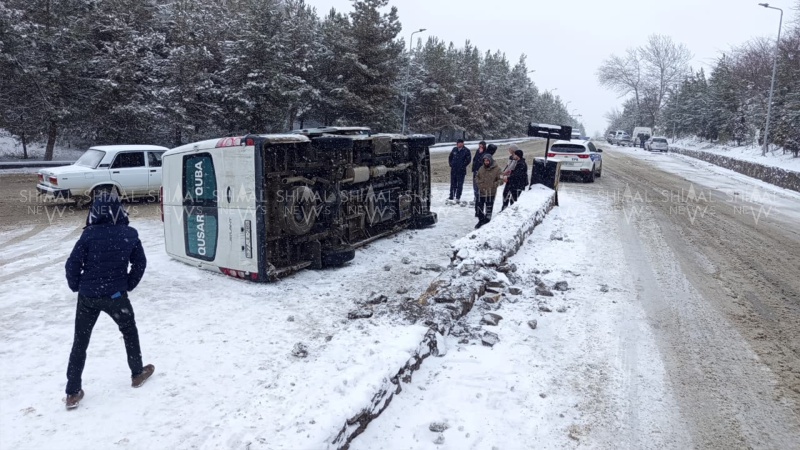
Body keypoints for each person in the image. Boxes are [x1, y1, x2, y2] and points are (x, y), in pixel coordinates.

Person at [64, 191, 154, 410]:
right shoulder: (129, 234)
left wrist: (77, 286)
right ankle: (137, 373)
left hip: (88, 298)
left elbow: (72, 264)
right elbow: (140, 263)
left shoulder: (88, 235)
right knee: (129, 331)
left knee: (80, 342)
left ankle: (73, 392)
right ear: (119, 210)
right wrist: (128, 284)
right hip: (116, 297)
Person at [474, 153, 504, 229]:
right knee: (478, 208)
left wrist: (494, 184)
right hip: (481, 192)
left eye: (487, 161)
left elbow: (501, 179)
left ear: (490, 160)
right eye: (484, 161)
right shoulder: (481, 168)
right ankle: (481, 220)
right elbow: (477, 176)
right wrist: (478, 183)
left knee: (488, 210)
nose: (486, 162)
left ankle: (487, 222)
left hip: (491, 193)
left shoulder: (497, 169)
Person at [448, 139, 471, 203]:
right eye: (457, 143)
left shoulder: (466, 151)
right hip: (454, 170)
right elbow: (450, 157)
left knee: (459, 184)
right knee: (453, 184)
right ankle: (451, 196)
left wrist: (462, 166)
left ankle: (458, 197)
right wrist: (451, 164)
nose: (458, 144)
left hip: (461, 171)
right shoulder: (454, 149)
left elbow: (468, 160)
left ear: (462, 143)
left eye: (460, 143)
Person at [470, 141, 487, 213]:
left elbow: (482, 161)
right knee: (475, 186)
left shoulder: (485, 153)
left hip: (481, 172)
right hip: (475, 171)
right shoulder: (477, 151)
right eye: (479, 145)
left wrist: (481, 153)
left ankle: (479, 198)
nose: (480, 147)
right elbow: (475, 160)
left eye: (481, 146)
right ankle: (476, 197)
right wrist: (474, 169)